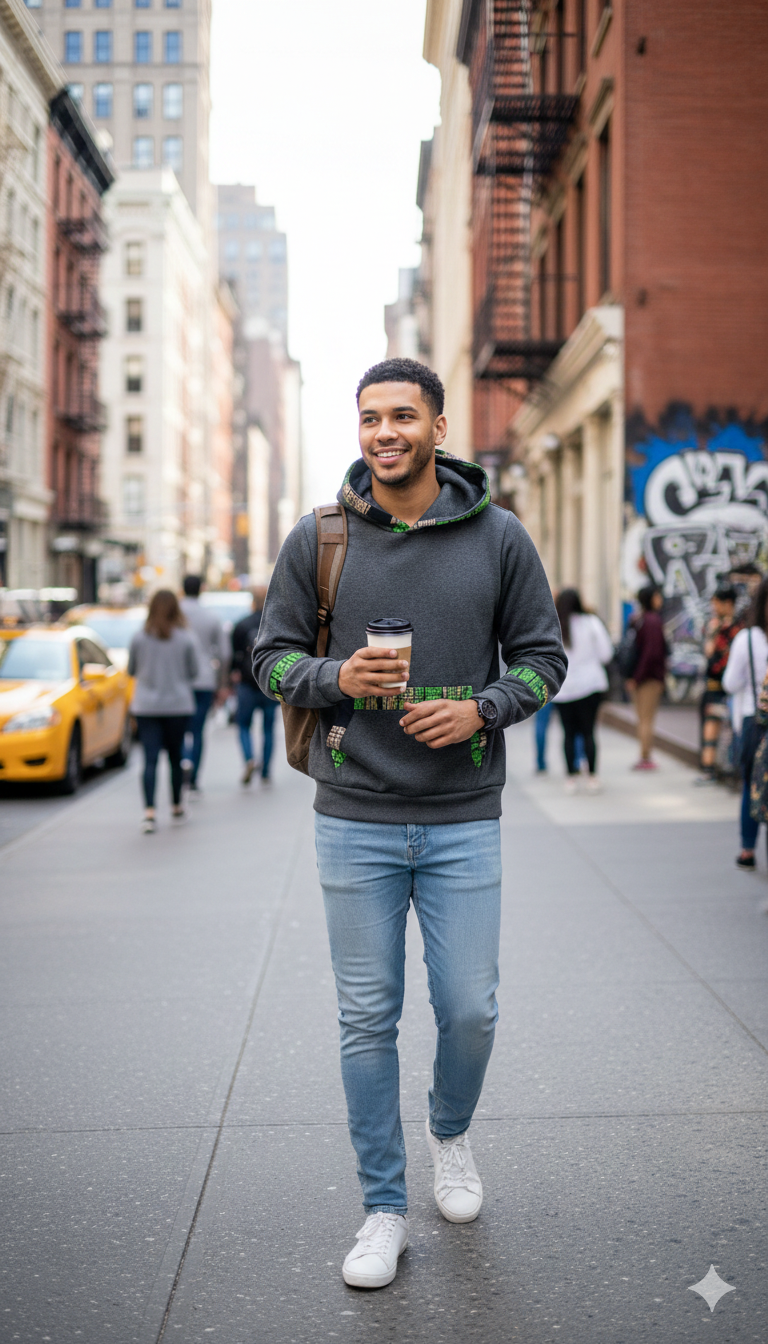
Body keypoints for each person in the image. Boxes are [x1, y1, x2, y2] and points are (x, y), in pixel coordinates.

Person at [253, 357, 566, 1289]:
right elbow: (268, 660)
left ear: (437, 427)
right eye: (368, 419)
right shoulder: (320, 539)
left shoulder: (500, 537)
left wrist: (484, 709)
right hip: (354, 815)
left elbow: (545, 660)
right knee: (366, 1017)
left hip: (464, 813)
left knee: (470, 1009)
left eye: (401, 417)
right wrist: (334, 678)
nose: (383, 433)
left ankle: (450, 1132)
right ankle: (382, 1208)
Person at [127, 589, 199, 833]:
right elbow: (194, 672)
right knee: (175, 757)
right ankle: (177, 806)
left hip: (146, 707)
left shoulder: (139, 637)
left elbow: (131, 670)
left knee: (149, 759)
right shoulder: (185, 638)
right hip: (178, 705)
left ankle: (149, 812)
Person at [722, 576, 768, 868]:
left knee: (752, 786)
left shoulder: (747, 639)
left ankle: (747, 848)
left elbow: (730, 683)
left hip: (755, 723)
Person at [553, 588, 613, 793]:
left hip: (564, 688)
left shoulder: (555, 626)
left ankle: (570, 778)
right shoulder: (591, 623)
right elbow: (606, 653)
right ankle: (593, 777)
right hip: (590, 685)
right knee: (589, 732)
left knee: (568, 733)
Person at [180, 575, 227, 792]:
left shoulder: (174, 615)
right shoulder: (211, 616)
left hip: (178, 681)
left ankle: (181, 766)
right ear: (201, 589)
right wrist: (222, 682)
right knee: (197, 731)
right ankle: (194, 777)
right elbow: (224, 654)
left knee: (178, 730)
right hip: (204, 680)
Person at [695, 584, 741, 785]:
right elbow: (707, 652)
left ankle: (725, 769)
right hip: (714, 685)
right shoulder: (715, 626)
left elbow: (718, 657)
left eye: (717, 603)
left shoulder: (737, 629)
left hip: (728, 686)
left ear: (728, 603)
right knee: (710, 724)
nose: (714, 607)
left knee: (724, 728)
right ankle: (709, 769)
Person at [230, 587, 275, 784]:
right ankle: (265, 770)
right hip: (269, 684)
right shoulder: (274, 624)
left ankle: (249, 759)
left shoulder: (241, 625)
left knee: (243, 725)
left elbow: (233, 657)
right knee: (268, 729)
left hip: (247, 684)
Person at [625, 585, 667, 770]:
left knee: (642, 719)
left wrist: (633, 677)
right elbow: (651, 653)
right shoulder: (653, 621)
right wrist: (639, 677)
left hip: (638, 676)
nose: (660, 599)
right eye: (657, 596)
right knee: (647, 719)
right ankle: (645, 758)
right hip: (648, 678)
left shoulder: (638, 619)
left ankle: (644, 756)